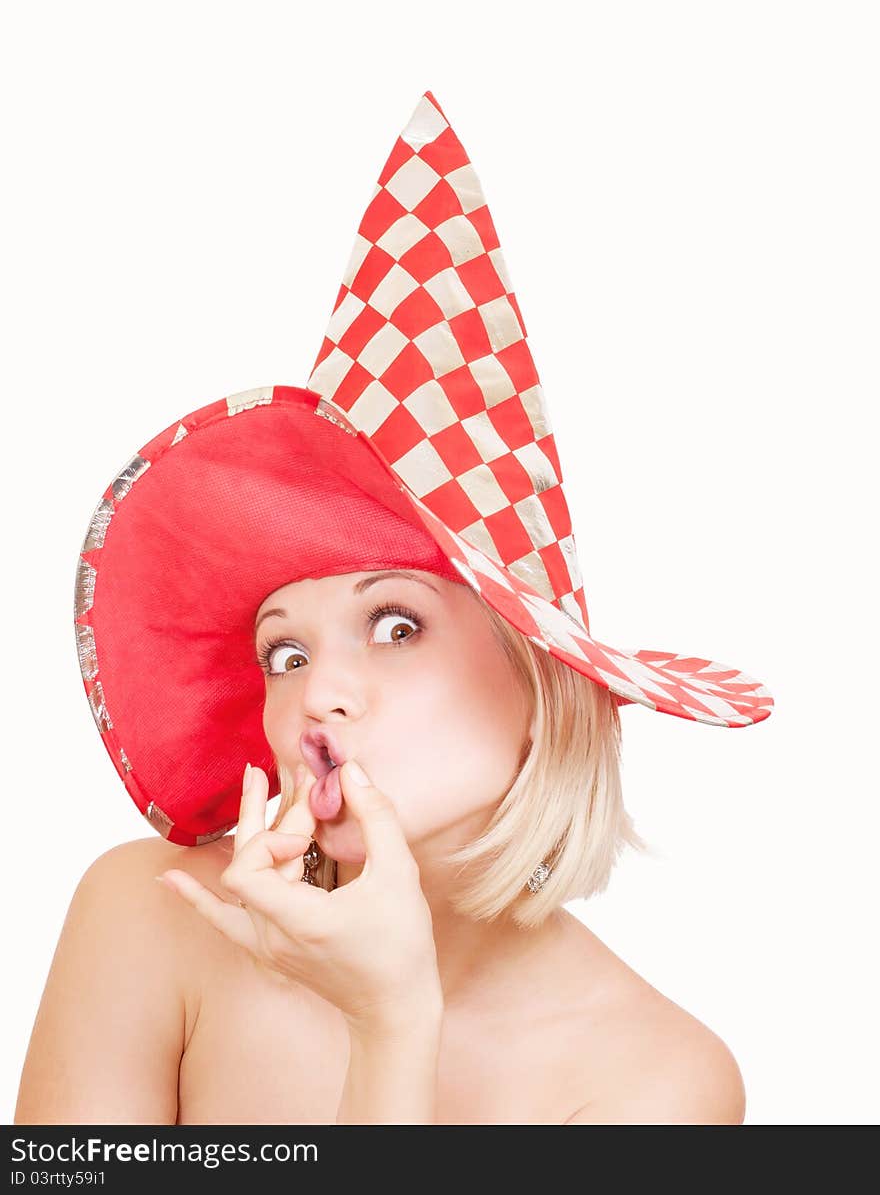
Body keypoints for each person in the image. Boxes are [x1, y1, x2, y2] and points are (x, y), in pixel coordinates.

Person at [15, 92, 773, 1125]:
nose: (316, 693)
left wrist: (392, 1024)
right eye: (282, 650)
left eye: (396, 625)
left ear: (539, 678)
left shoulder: (658, 1082)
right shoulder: (150, 919)